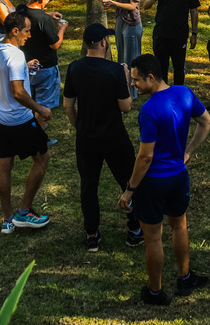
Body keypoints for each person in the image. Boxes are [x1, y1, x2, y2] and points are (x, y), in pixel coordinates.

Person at [119, 54, 210, 305]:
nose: (134, 85)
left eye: (137, 80)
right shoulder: (184, 93)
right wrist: (188, 152)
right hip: (178, 177)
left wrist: (129, 189)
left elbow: (146, 156)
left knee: (152, 237)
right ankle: (185, 277)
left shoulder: (149, 110)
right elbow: (206, 122)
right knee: (179, 225)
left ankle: (155, 291)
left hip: (153, 182)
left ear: (151, 77)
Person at [63, 23, 143, 251]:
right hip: (114, 137)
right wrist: (127, 79)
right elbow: (126, 107)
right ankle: (135, 229)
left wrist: (78, 126)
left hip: (86, 139)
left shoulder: (74, 68)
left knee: (89, 187)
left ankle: (91, 234)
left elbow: (68, 105)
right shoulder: (114, 70)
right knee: (129, 181)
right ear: (103, 43)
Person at [0, 10, 52, 234]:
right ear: (15, 31)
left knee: (5, 165)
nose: (29, 36)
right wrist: (40, 109)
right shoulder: (15, 55)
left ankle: (7, 219)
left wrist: (24, 68)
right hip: (18, 120)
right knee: (42, 158)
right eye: (26, 31)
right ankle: (24, 213)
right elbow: (17, 92)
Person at [140, 0, 200, 87]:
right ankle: (163, 94)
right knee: (161, 69)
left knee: (179, 68)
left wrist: (194, 34)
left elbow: (194, 11)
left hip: (179, 36)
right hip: (161, 35)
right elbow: (145, 5)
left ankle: (178, 95)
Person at [22, 0, 68, 145]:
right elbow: (54, 44)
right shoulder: (44, 20)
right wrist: (61, 29)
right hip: (45, 67)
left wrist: (47, 15)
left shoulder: (21, 11)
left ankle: (28, 133)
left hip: (26, 65)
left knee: (29, 101)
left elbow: (33, 19)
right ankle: (38, 140)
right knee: (43, 106)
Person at [100, 0, 144, 97]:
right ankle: (122, 88)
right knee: (121, 56)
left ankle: (133, 91)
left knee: (131, 59)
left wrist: (113, 3)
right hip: (120, 21)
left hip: (132, 23)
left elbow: (132, 5)